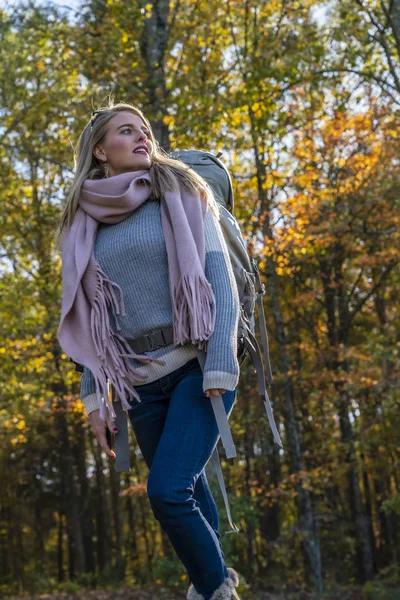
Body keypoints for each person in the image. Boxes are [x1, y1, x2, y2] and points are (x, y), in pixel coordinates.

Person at [55, 102, 242, 600]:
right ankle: (216, 584)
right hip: (138, 385)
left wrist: (221, 364)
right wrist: (94, 399)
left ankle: (214, 589)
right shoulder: (82, 225)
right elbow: (89, 321)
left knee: (167, 492)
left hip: (197, 370)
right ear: (100, 151)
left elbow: (221, 283)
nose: (142, 137)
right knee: (191, 492)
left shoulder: (181, 194)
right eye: (126, 131)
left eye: (144, 131)